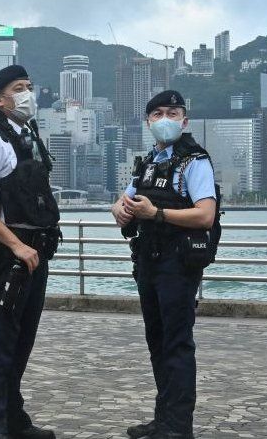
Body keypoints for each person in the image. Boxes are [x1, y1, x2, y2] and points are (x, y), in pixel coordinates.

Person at [111, 90, 218, 439]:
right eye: (157, 113)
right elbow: (124, 202)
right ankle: (163, 419)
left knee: (177, 343)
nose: (165, 119)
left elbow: (205, 214)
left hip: (178, 264)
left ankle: (178, 426)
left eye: (172, 112)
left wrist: (156, 213)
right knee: (157, 341)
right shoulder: (148, 163)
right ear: (148, 123)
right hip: (148, 261)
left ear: (184, 120)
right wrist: (119, 209)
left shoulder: (194, 161)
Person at [0, 65, 61, 439]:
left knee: (21, 342)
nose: (27, 94)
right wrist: (16, 245)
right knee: (0, 343)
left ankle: (13, 420)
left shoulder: (26, 135)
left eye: (30, 87)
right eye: (19, 89)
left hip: (34, 253)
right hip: (7, 256)